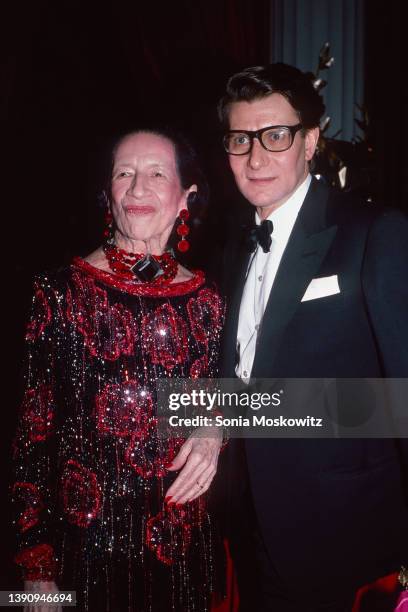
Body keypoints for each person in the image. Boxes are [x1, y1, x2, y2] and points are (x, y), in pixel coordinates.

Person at [217, 63, 408, 611]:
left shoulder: (374, 232)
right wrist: (201, 419)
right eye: (240, 139)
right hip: (255, 536)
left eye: (275, 136)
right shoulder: (236, 247)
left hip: (350, 550)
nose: (256, 158)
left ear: (311, 140)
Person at [11, 127, 225, 612]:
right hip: (78, 558)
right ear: (108, 194)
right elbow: (30, 437)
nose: (137, 188)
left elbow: (238, 392)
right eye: (124, 173)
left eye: (156, 174)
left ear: (185, 197)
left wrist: (218, 425)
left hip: (183, 557)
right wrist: (33, 574)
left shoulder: (212, 301)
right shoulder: (59, 293)